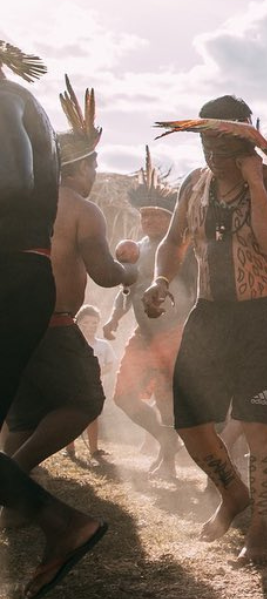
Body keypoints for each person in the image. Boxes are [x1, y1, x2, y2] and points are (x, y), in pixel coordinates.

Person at [143, 95, 267, 566]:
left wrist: (253, 180)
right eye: (206, 142)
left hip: (264, 316)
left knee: (258, 424)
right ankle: (233, 493)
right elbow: (173, 242)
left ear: (246, 143)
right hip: (209, 315)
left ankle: (259, 530)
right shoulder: (194, 183)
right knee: (188, 421)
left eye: (224, 144)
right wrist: (160, 280)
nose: (212, 153)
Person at [0, 51, 110, 598]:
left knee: (80, 399)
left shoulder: (8, 100)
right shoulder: (19, 104)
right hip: (21, 283)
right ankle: (49, 518)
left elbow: (11, 182)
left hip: (13, 280)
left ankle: (57, 521)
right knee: (18, 420)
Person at [4, 78, 139, 475]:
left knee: (23, 418)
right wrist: (131, 270)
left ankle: (14, 510)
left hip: (14, 321)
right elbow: (104, 273)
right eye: (94, 165)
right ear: (80, 166)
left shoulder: (30, 202)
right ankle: (13, 475)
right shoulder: (82, 209)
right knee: (86, 400)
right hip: (53, 324)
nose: (96, 173)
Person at [103, 172, 194, 479]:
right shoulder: (137, 248)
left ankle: (167, 462)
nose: (150, 220)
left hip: (175, 332)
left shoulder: (181, 248)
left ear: (171, 218)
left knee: (167, 397)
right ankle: (166, 438)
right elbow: (127, 290)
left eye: (157, 215)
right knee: (123, 396)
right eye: (145, 215)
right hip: (143, 334)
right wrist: (114, 318)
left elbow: (194, 290)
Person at [72, 305, 117, 461]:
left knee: (92, 417)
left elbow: (110, 365)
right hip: (73, 387)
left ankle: (94, 449)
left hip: (94, 388)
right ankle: (69, 449)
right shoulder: (73, 344)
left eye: (93, 323)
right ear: (77, 323)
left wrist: (95, 374)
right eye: (85, 323)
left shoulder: (102, 345)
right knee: (70, 416)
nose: (90, 327)